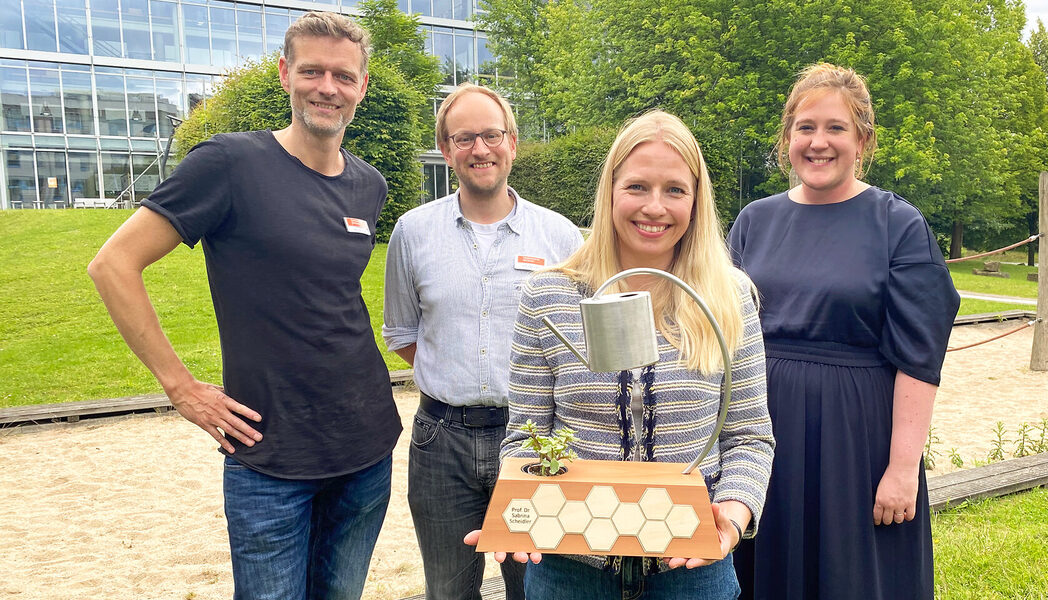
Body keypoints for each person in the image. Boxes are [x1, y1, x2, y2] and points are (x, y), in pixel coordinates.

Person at [87, 11, 401, 600]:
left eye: (343, 75)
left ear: (362, 85)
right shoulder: (229, 163)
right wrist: (179, 386)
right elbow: (112, 265)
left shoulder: (369, 184)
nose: (326, 87)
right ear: (285, 74)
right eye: (311, 71)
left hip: (366, 446)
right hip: (269, 454)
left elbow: (330, 295)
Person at [466, 110, 775, 599]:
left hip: (692, 568)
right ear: (610, 191)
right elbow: (526, 437)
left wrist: (732, 517)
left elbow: (750, 437)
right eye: (636, 187)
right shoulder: (548, 297)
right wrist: (517, 513)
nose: (655, 207)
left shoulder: (729, 298)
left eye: (675, 189)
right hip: (570, 569)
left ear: (696, 202)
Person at [727, 63, 960, 599]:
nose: (818, 142)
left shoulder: (898, 225)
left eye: (835, 128)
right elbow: (722, 336)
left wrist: (902, 467)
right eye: (805, 127)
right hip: (761, 430)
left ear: (863, 140)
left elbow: (920, 359)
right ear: (788, 138)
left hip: (857, 438)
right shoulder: (753, 221)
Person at [382, 82, 583, 600]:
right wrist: (456, 371)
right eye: (464, 138)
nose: (480, 149)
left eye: (491, 135)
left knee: (537, 587)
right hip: (440, 439)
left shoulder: (561, 237)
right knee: (448, 590)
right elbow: (403, 333)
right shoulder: (413, 232)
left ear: (512, 142)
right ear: (447, 150)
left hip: (537, 438)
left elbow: (579, 343)